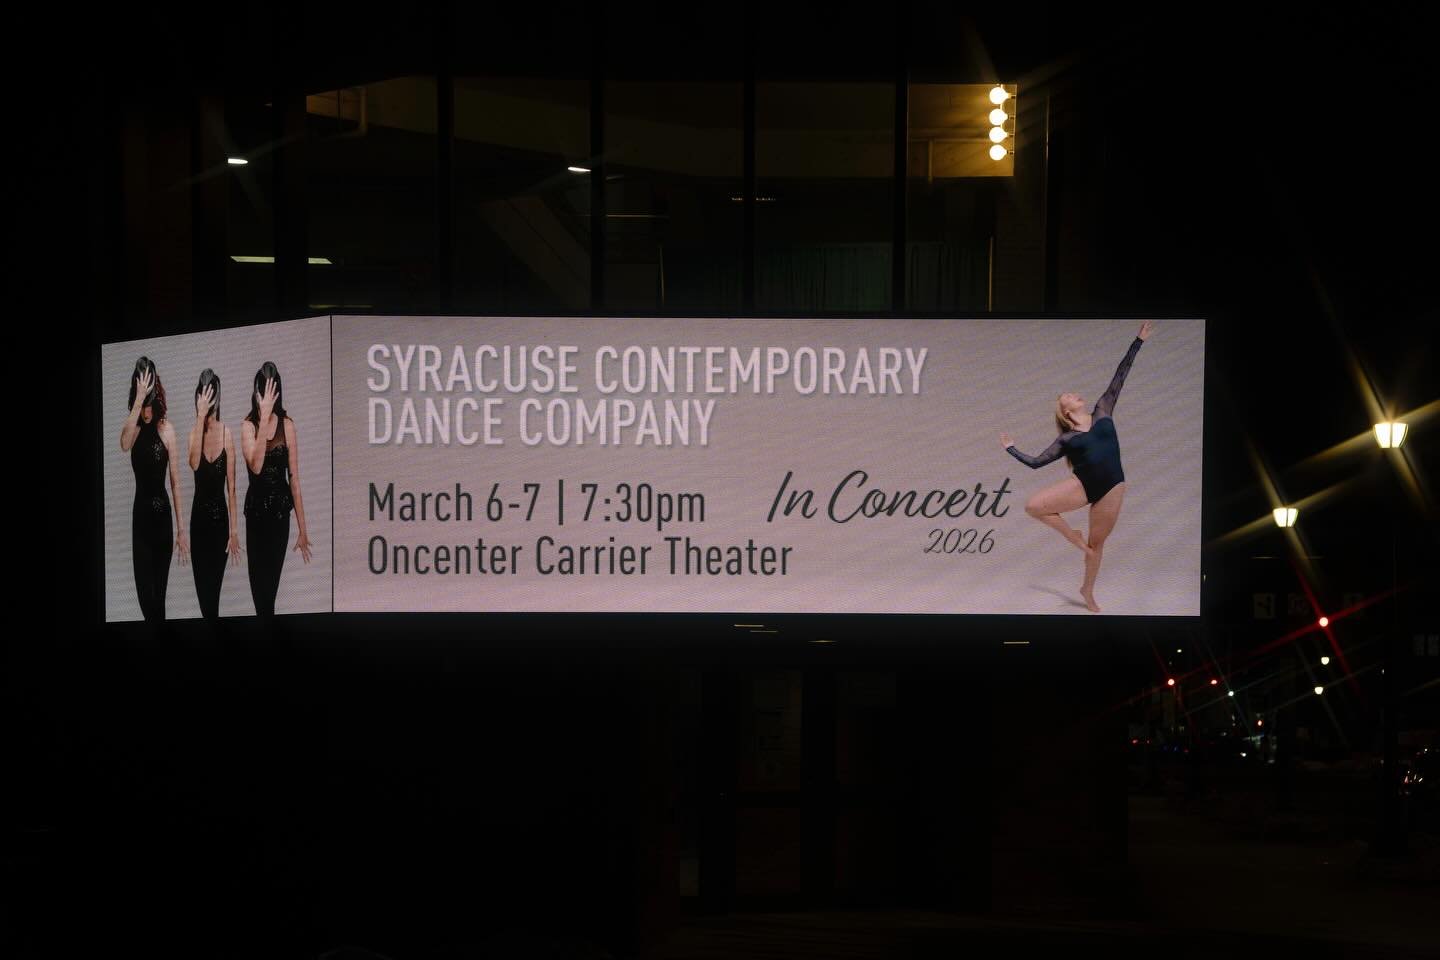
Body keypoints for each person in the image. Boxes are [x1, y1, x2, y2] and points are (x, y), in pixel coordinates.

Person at [1000, 320, 1154, 612]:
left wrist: (1138, 341)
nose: (1074, 394)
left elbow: (1120, 377)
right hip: (1082, 486)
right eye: (1068, 397)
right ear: (1066, 411)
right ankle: (1074, 538)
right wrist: (1011, 448)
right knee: (1033, 506)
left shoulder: (1103, 410)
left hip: (1112, 488)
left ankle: (1087, 590)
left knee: (1096, 548)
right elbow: (1035, 463)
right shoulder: (1067, 439)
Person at [119, 357, 188, 621]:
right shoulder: (133, 429)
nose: (146, 409)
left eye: (148, 401)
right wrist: (138, 400)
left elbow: (176, 482)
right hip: (141, 523)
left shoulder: (167, 429)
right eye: (141, 386)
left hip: (162, 523)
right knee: (145, 601)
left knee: (159, 601)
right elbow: (124, 444)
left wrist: (181, 531)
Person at [241, 362, 312, 618]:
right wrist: (262, 417)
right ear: (257, 393)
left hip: (280, 518)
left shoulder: (288, 426)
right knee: (259, 596)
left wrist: (303, 530)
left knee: (268, 593)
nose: (268, 397)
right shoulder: (248, 426)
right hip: (256, 518)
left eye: (272, 391)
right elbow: (257, 466)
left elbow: (294, 479)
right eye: (263, 392)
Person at [187, 369, 241, 620]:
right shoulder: (193, 433)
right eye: (202, 394)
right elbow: (194, 464)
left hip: (220, 525)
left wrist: (234, 531)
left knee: (214, 596)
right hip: (198, 523)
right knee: (202, 598)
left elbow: (231, 487)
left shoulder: (227, 433)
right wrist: (199, 418)